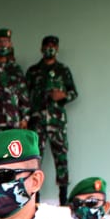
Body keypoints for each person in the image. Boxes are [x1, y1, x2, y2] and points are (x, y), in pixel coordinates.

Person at [25, 36, 77, 204]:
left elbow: (73, 93)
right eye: (47, 46)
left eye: (53, 46)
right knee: (34, 159)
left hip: (56, 122)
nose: (50, 48)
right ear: (41, 49)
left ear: (57, 49)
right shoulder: (33, 71)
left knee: (61, 158)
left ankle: (63, 197)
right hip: (37, 121)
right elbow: (24, 96)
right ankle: (34, 197)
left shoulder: (63, 70)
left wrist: (63, 95)